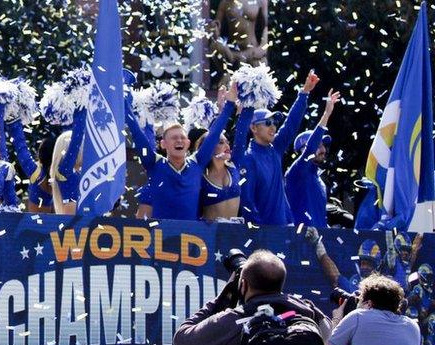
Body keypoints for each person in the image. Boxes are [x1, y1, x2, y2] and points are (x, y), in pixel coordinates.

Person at [173, 249, 331, 345]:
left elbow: (182, 340)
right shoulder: (307, 312)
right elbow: (332, 339)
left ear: (243, 285)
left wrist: (224, 296)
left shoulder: (233, 321)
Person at [125, 83, 237, 220]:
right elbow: (137, 133)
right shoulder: (153, 164)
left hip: (192, 238)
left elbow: (214, 134)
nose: (179, 140)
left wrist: (230, 104)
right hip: (161, 238)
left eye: (182, 138)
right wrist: (124, 103)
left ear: (188, 143)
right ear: (163, 144)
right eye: (174, 138)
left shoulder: (198, 162)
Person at [238, 71, 320, 225]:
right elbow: (247, 201)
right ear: (254, 128)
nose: (273, 127)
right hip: (264, 236)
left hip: (284, 230)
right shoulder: (248, 159)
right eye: (268, 123)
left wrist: (304, 93)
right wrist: (259, 231)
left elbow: (290, 124)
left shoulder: (275, 148)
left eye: (274, 123)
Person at [285, 89, 341, 227]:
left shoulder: (319, 180)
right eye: (318, 145)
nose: (323, 150)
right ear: (304, 149)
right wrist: (326, 114)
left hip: (318, 243)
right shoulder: (296, 172)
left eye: (324, 145)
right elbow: (310, 149)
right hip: (299, 243)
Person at [328, 274, 421, 345]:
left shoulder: (357, 317)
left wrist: (337, 319)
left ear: (368, 303)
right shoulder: (413, 327)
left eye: (359, 301)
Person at [209, 0, 269, 88]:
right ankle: (227, 74)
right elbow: (217, 27)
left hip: (251, 51)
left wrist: (262, 47)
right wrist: (214, 29)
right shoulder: (225, 2)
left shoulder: (261, 1)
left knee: (261, 63)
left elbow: (266, 26)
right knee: (215, 46)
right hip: (231, 54)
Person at [305, 227, 382, 293]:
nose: (365, 267)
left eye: (369, 264)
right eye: (363, 263)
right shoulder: (355, 281)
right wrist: (318, 244)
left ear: (377, 266)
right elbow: (336, 277)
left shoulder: (383, 285)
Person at [7, 118, 55, 213]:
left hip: (35, 224)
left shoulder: (37, 173)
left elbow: (22, 149)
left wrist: (14, 122)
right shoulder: (61, 174)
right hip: (57, 224)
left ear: (40, 153)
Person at [49, 108, 87, 215]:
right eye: (81, 147)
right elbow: (76, 139)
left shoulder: (75, 172)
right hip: (73, 223)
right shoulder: (65, 171)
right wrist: (81, 106)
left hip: (83, 222)